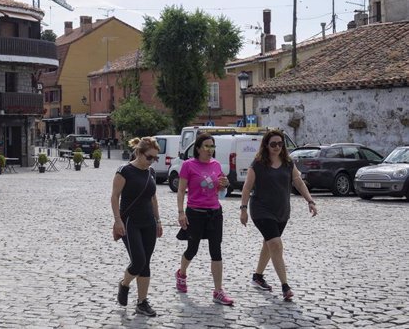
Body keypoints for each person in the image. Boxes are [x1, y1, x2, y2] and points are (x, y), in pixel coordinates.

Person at [239, 129, 318, 301]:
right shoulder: (258, 163)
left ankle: (258, 276)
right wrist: (243, 209)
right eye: (273, 144)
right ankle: (285, 286)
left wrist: (310, 201)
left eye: (280, 144)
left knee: (269, 245)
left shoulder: (288, 163)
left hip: (281, 211)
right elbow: (247, 187)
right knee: (275, 244)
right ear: (266, 145)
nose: (277, 147)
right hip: (261, 210)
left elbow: (298, 181)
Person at [175, 133, 234, 305]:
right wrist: (180, 212)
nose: (210, 150)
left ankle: (218, 291)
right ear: (198, 149)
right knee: (192, 249)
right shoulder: (188, 165)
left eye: (212, 146)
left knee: (216, 251)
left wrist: (225, 184)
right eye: (206, 146)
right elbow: (180, 190)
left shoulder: (216, 165)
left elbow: (222, 185)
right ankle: (182, 274)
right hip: (195, 212)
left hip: (214, 212)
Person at [111, 136, 163, 317]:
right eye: (149, 157)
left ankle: (142, 302)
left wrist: (158, 220)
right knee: (138, 261)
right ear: (139, 153)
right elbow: (114, 196)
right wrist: (117, 220)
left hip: (148, 222)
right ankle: (124, 284)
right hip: (130, 222)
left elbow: (153, 198)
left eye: (155, 158)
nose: (152, 161)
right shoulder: (124, 171)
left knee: (146, 263)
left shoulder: (151, 173)